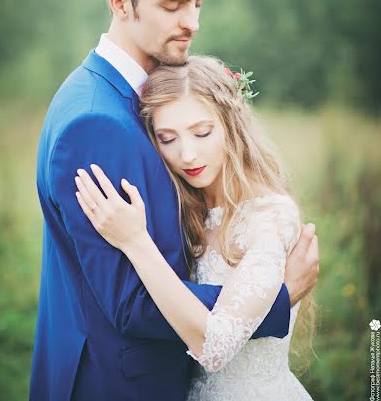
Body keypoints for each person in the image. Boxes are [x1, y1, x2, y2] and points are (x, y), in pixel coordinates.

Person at [30, 0, 319, 401]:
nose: (193, 22)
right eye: (173, 4)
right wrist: (275, 297)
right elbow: (132, 303)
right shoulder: (96, 122)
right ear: (120, 3)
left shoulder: (125, 97)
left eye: (198, 2)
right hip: (118, 384)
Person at [74, 55, 317, 400]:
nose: (187, 154)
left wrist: (135, 242)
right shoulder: (189, 210)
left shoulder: (270, 216)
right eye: (167, 138)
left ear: (231, 125)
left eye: (202, 132)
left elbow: (215, 348)